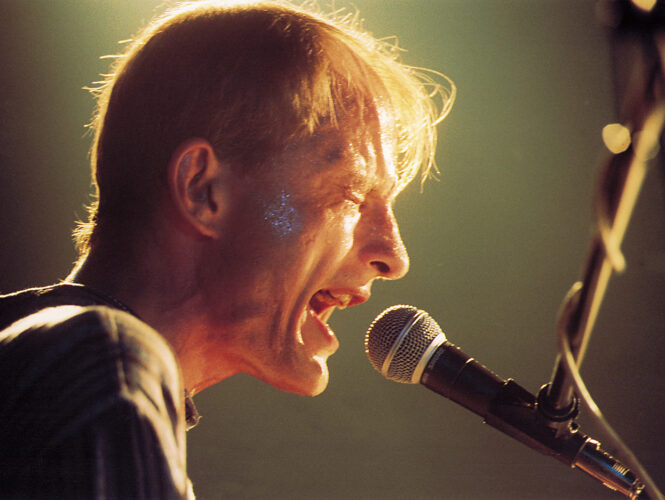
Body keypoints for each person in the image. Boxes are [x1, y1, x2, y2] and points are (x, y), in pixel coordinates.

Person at [0, 0, 454, 498]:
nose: (394, 255)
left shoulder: (50, 368)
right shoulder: (101, 359)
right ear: (202, 189)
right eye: (351, 193)